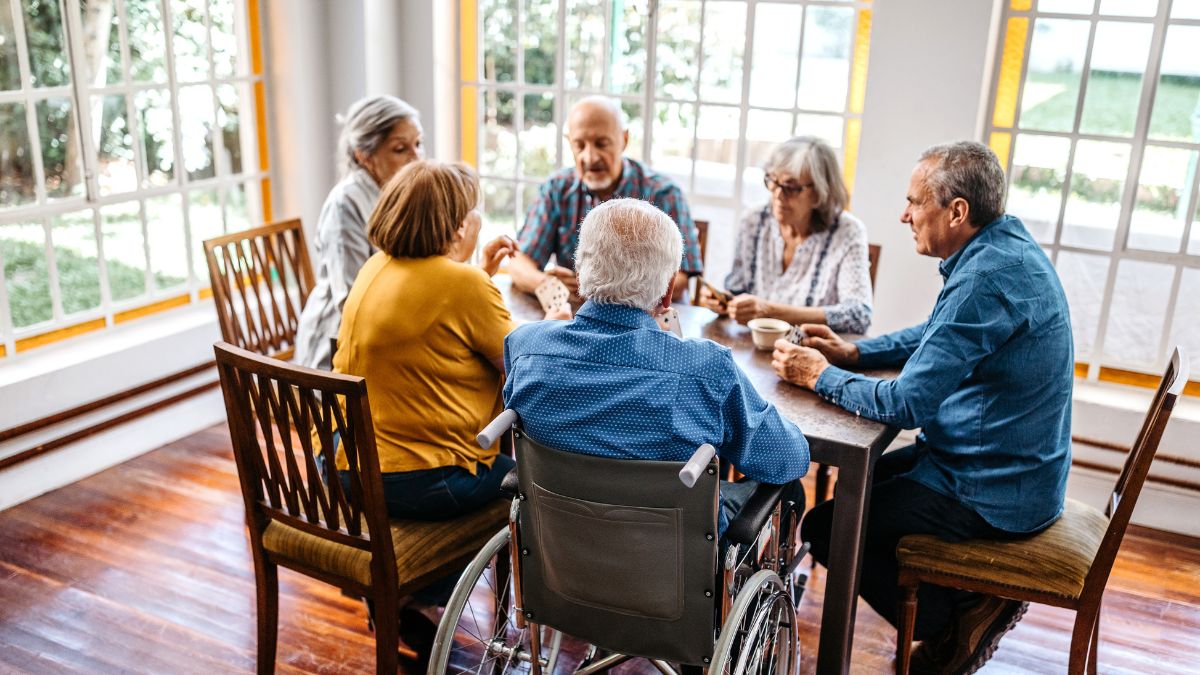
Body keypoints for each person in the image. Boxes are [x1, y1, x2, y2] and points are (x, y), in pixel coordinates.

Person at [771, 141, 1073, 674]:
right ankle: (954, 598)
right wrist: (856, 352)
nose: (903, 214)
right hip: (1001, 465)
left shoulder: (985, 279)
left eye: (915, 202)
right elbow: (938, 332)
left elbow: (906, 404)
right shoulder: (1002, 245)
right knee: (855, 493)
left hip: (991, 490)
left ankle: (960, 615)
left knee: (827, 528)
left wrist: (820, 374)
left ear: (957, 211)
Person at [330, 159, 560, 663]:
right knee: (524, 479)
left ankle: (419, 599)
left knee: (487, 466)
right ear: (459, 225)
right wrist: (558, 316)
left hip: (350, 470)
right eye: (470, 211)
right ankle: (449, 606)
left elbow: (429, 316)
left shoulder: (376, 267)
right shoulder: (463, 287)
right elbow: (528, 370)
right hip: (419, 481)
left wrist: (476, 272)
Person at [504, 198, 809, 538]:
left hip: (559, 561)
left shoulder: (525, 349)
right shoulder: (708, 370)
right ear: (667, 293)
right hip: (675, 572)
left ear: (580, 273)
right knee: (789, 490)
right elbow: (788, 460)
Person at [507, 96, 704, 302]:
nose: (590, 157)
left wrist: (606, 296)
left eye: (601, 144)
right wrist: (548, 285)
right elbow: (519, 261)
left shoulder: (664, 193)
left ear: (624, 140)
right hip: (578, 317)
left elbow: (681, 278)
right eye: (579, 146)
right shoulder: (557, 189)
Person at [294, 95, 425, 371]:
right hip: (332, 357)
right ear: (364, 156)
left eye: (418, 144)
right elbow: (352, 303)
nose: (416, 159)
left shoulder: (399, 193)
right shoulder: (346, 204)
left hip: (383, 337)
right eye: (400, 149)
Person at [699, 136, 873, 333]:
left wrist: (770, 311)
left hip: (814, 353)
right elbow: (738, 289)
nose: (777, 195)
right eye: (773, 181)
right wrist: (725, 303)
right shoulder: (753, 221)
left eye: (791, 188)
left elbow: (858, 315)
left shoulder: (847, 232)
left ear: (820, 191)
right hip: (753, 349)